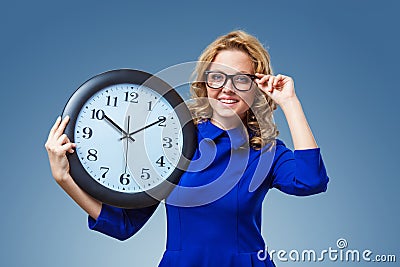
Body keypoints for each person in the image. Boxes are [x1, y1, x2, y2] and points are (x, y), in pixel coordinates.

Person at [45, 30, 329, 267]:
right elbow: (124, 225)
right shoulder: (175, 142)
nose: (227, 88)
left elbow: (311, 180)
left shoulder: (267, 152)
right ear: (205, 83)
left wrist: (290, 102)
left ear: (256, 88)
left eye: (242, 79)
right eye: (218, 77)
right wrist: (64, 179)